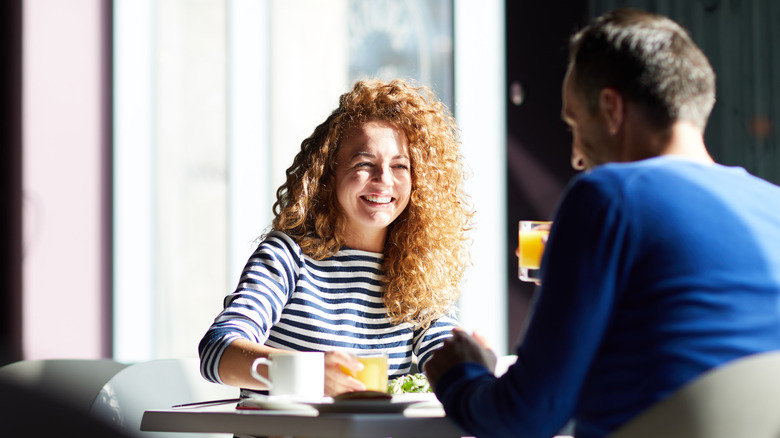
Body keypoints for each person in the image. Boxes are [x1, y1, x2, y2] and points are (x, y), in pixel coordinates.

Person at [424, 8, 780, 438]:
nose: (576, 156)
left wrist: (460, 375)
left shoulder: (608, 197)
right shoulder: (771, 204)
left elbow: (524, 418)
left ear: (611, 108)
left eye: (575, 122)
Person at [199, 78, 473, 398]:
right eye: (364, 163)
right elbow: (217, 351)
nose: (384, 180)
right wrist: (307, 374)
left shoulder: (418, 269)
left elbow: (449, 361)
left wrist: (470, 364)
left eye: (400, 166)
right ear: (328, 174)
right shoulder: (288, 257)